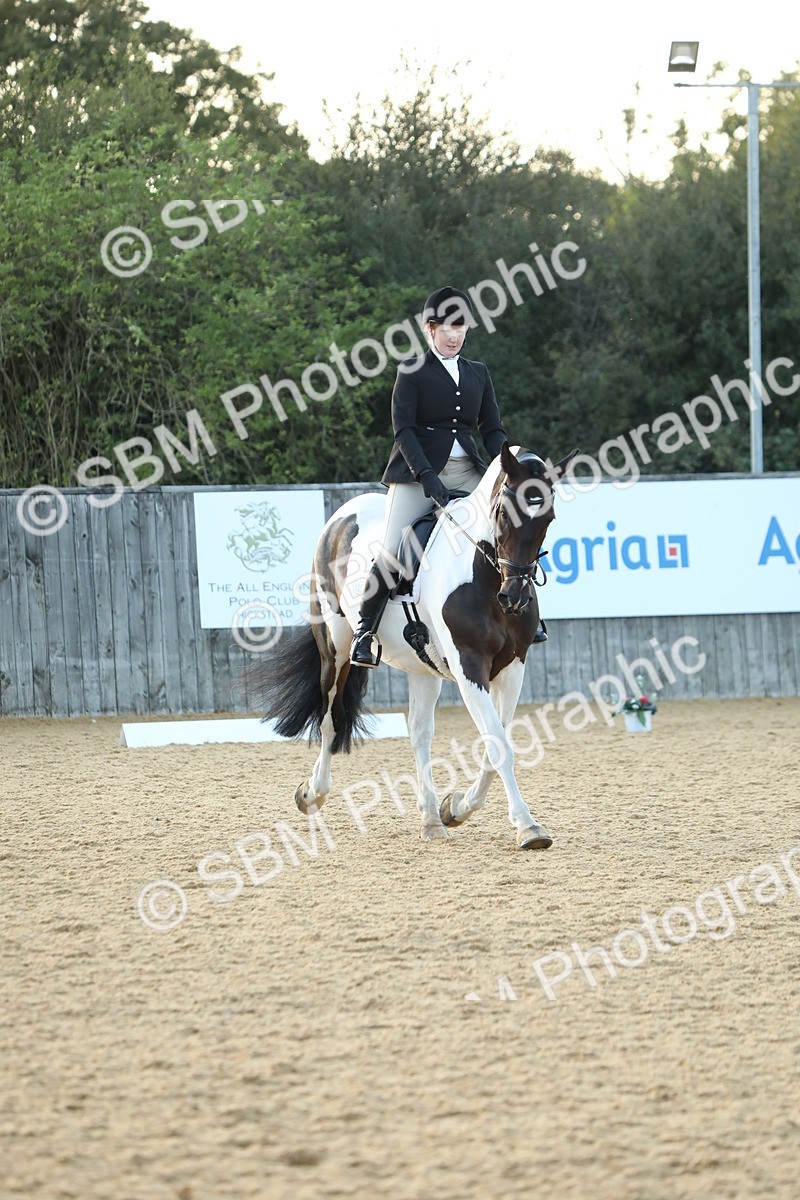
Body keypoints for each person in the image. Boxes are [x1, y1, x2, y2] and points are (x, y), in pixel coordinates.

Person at [349, 285, 546, 667]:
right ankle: (364, 632)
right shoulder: (412, 371)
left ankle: (529, 617)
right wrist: (426, 476)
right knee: (392, 549)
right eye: (446, 328)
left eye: (461, 327)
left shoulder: (478, 373)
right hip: (415, 473)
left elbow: (492, 428)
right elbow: (403, 429)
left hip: (469, 471)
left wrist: (511, 464)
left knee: (514, 527)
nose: (454, 334)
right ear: (430, 329)